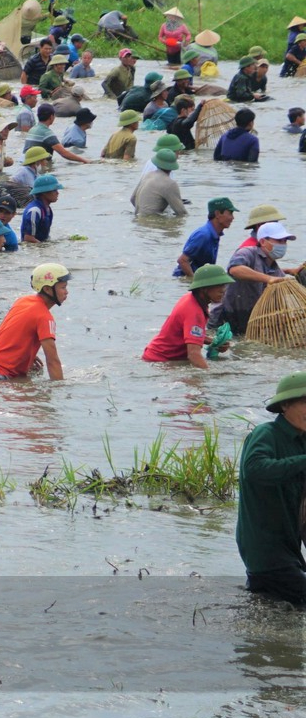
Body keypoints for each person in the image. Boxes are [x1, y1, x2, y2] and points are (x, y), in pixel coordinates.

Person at [235, 372, 306, 606]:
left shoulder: (302, 441)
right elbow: (254, 469)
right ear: (285, 405)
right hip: (265, 549)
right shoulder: (266, 434)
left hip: (289, 548)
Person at [0, 262, 69, 380]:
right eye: (63, 287)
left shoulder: (23, 301)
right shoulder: (45, 317)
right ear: (47, 289)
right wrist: (60, 393)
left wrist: (29, 354)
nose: (66, 292)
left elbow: (10, 331)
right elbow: (52, 361)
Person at [217, 221, 301, 338]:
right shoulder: (247, 253)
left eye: (285, 241)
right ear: (262, 241)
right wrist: (268, 279)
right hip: (227, 316)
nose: (283, 245)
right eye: (279, 241)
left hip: (249, 320)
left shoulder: (276, 271)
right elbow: (235, 269)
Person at [143, 264, 234, 367]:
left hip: (158, 357)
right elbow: (193, 355)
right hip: (161, 361)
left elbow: (189, 333)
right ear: (204, 289)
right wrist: (210, 377)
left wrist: (214, 342)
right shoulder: (194, 311)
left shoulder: (192, 299)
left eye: (224, 285)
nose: (223, 290)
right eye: (219, 285)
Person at [130, 146, 188, 218]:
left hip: (138, 223)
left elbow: (132, 199)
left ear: (156, 162)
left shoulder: (148, 175)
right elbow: (181, 212)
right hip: (153, 224)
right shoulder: (170, 184)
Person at [19, 174, 60, 244]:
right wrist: (44, 247)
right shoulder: (34, 211)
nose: (57, 193)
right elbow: (28, 239)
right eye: (54, 190)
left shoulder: (48, 209)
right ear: (44, 192)